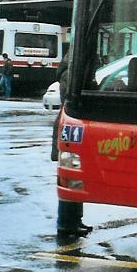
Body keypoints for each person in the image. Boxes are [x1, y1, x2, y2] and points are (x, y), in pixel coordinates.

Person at [50, 48, 93, 238]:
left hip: (70, 126)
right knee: (70, 177)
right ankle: (67, 222)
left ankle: (75, 220)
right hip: (69, 127)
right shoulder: (70, 74)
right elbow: (70, 96)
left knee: (75, 177)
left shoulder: (71, 71)